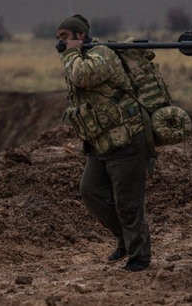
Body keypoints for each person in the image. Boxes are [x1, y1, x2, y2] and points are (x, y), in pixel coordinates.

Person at [55, 14, 152, 272]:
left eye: (66, 37)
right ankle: (125, 238)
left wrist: (71, 53)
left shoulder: (102, 54)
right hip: (101, 143)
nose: (61, 43)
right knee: (91, 190)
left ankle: (139, 257)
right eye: (59, 38)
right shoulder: (77, 57)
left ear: (81, 36)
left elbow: (83, 77)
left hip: (127, 139)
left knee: (128, 203)